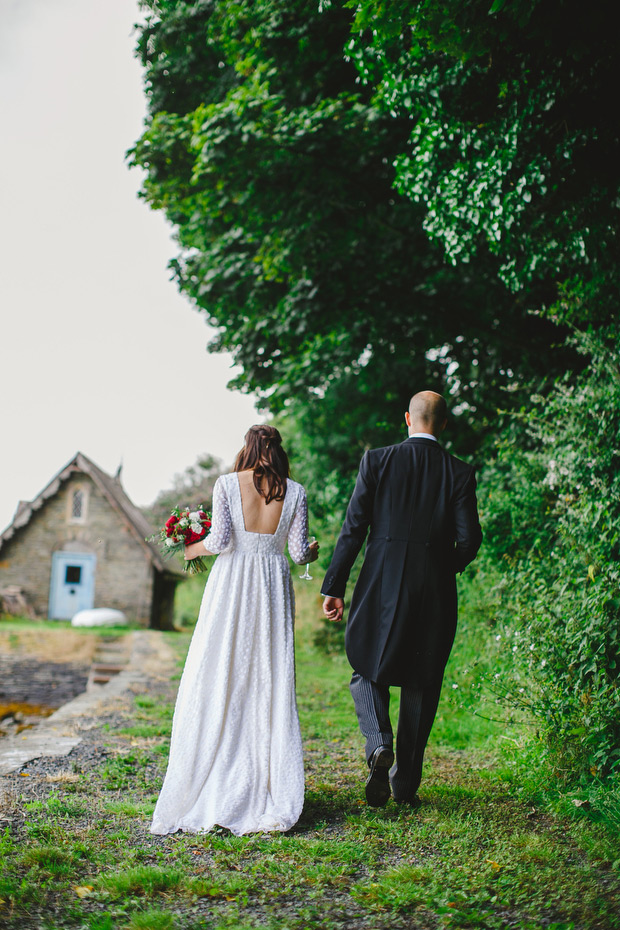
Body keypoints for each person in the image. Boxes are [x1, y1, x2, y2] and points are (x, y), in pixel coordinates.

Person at [151, 425, 319, 836]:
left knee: (221, 670)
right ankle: (264, 782)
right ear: (278, 452)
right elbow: (299, 554)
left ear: (248, 448)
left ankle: (213, 769)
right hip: (272, 589)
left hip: (232, 586)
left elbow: (222, 540)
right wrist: (312, 551)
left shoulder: (227, 483)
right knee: (268, 678)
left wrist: (190, 547)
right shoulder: (295, 492)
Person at [321, 391, 482, 808]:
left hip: (380, 581)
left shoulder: (377, 461)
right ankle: (405, 784)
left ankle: (377, 744)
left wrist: (334, 585)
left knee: (366, 663)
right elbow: (470, 539)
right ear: (443, 424)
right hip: (435, 588)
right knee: (422, 679)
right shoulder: (459, 472)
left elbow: (354, 527)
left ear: (408, 418)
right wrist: (441, 567)